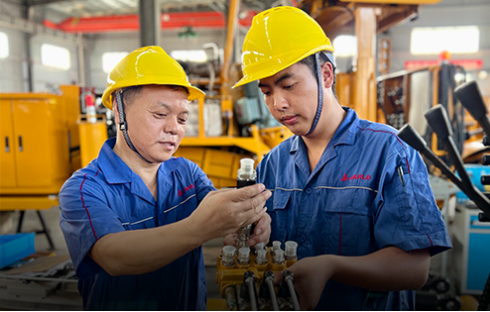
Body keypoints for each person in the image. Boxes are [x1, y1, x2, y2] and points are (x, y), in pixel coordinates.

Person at [233, 7, 452, 311]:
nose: (278, 104)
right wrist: (254, 233)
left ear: (325, 74)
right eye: (267, 91)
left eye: (288, 85)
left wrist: (331, 267)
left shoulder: (389, 151)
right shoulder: (272, 164)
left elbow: (414, 270)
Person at [59, 46, 272, 310]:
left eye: (182, 118)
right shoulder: (84, 189)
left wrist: (247, 223)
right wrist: (201, 228)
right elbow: (114, 256)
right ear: (119, 108)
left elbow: (222, 212)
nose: (174, 128)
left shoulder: (187, 174)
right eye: (160, 114)